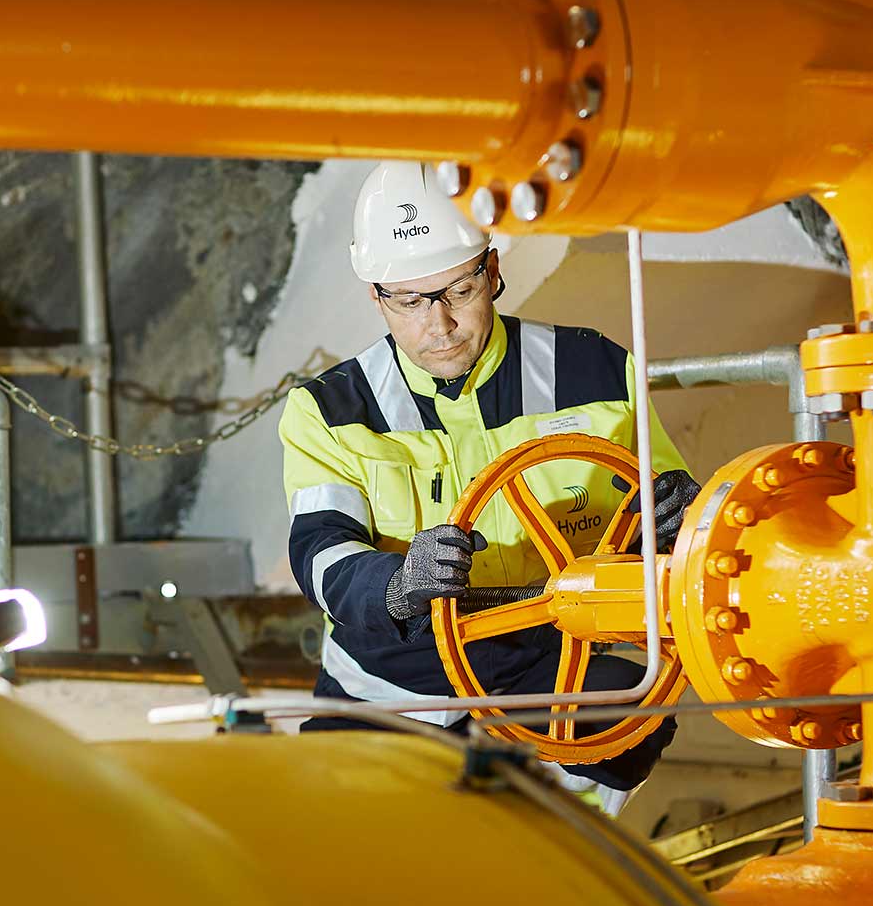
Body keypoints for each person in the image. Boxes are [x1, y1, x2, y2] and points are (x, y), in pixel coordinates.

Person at [279, 161, 700, 812]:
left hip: (546, 658)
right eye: (410, 301)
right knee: (350, 837)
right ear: (376, 297)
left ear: (493, 271)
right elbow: (321, 553)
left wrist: (682, 520)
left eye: (458, 289)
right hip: (390, 682)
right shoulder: (330, 412)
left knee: (626, 715)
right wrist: (396, 584)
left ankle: (556, 847)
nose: (439, 324)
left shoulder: (592, 371)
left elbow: (661, 516)